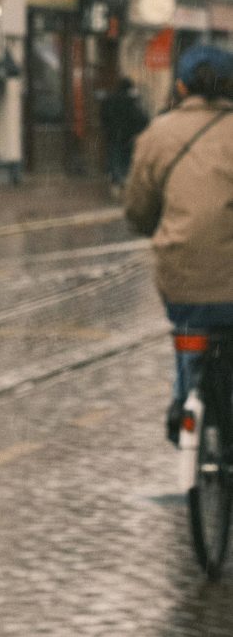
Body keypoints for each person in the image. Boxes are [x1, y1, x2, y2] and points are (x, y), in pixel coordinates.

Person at [123, 42, 233, 440]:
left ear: (182, 87)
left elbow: (137, 211)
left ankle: (186, 399)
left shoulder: (158, 134)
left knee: (191, 327)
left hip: (183, 277)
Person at [101, 76, 148, 189]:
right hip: (127, 136)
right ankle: (123, 179)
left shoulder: (109, 99)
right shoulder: (130, 100)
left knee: (114, 155)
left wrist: (108, 128)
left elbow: (104, 116)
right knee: (125, 158)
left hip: (113, 134)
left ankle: (115, 178)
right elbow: (141, 118)